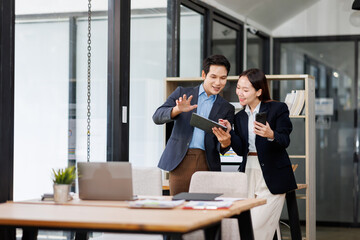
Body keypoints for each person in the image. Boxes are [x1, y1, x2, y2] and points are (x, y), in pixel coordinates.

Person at [213, 68, 297, 240]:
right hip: (248, 171)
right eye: (238, 88)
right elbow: (240, 150)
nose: (240, 93)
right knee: (245, 225)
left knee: (257, 227)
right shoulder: (240, 117)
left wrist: (271, 134)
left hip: (272, 174)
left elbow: (285, 140)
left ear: (259, 91)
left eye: (245, 89)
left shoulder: (277, 109)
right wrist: (229, 135)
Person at [152, 55, 235, 196]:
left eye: (223, 78)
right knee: (179, 208)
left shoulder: (227, 108)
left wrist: (225, 141)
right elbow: (157, 116)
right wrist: (177, 109)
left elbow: (223, 147)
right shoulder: (182, 93)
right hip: (181, 160)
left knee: (205, 209)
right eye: (213, 77)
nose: (218, 82)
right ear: (204, 74)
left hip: (207, 161)